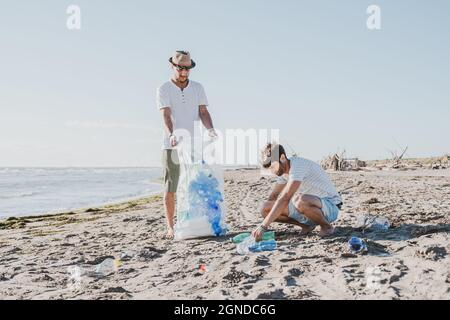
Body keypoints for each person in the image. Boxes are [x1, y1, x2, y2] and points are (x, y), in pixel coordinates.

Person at [156, 51, 217, 239]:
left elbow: (203, 112)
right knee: (171, 186)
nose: (184, 72)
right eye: (180, 68)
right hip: (172, 144)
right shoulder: (164, 88)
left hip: (195, 144)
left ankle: (198, 222)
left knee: (196, 184)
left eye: (187, 69)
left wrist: (210, 129)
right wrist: (172, 134)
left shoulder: (198, 87)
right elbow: (166, 115)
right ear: (172, 66)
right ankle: (170, 227)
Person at [252, 143, 343, 240]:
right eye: (269, 169)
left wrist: (263, 226)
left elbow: (285, 198)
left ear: (282, 158)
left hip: (330, 207)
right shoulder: (283, 172)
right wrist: (263, 224)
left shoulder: (298, 166)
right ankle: (306, 226)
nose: (272, 171)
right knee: (265, 208)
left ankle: (327, 227)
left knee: (299, 200)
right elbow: (273, 196)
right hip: (307, 208)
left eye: (273, 167)